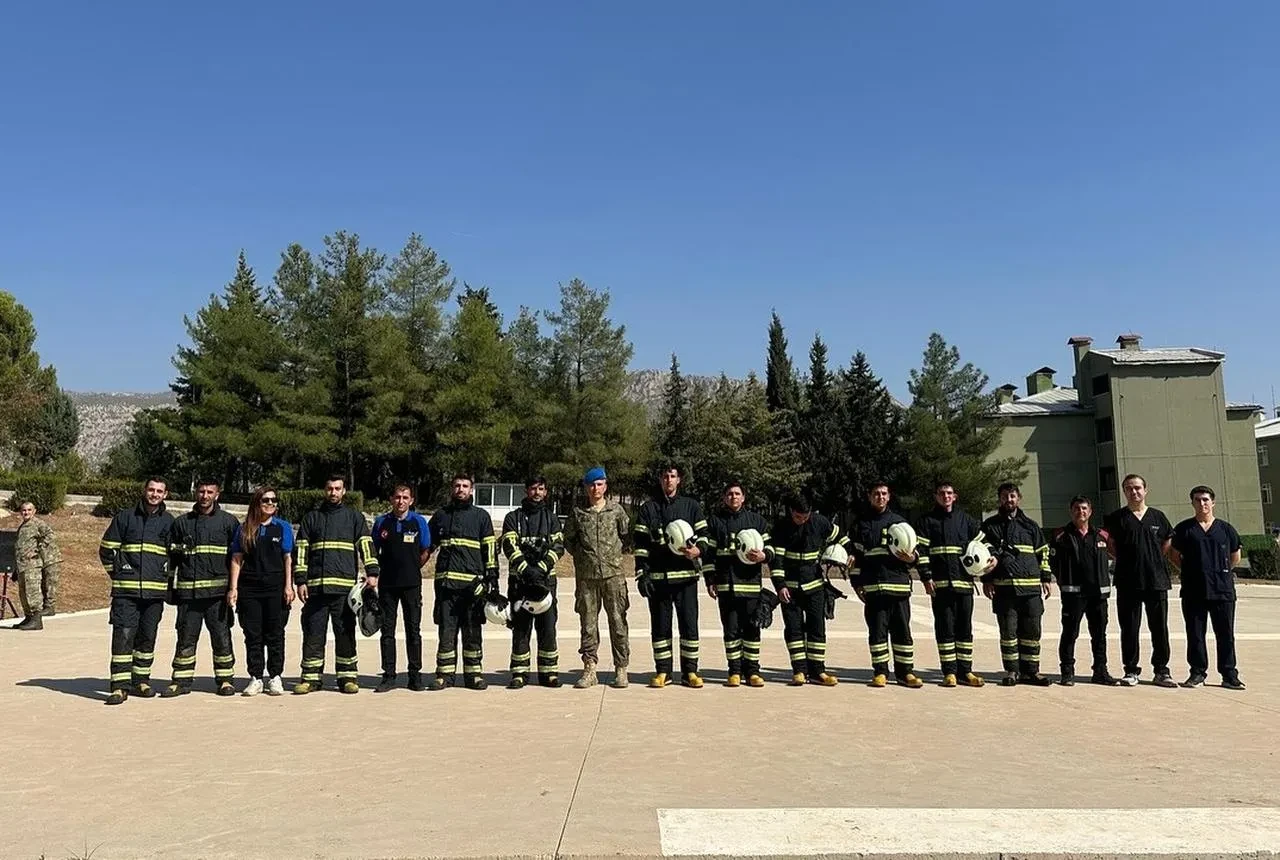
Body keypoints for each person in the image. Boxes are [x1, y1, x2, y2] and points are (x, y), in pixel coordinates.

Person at [293, 474, 380, 695]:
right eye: (330, 488)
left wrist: (372, 572)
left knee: (345, 634)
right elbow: (301, 551)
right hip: (316, 590)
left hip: (343, 590)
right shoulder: (312, 518)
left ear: (344, 491)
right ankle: (311, 678)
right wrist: (301, 581)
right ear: (325, 490)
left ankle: (347, 677)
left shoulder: (354, 517)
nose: (333, 492)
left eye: (337, 488)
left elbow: (366, 546)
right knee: (313, 633)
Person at [98, 477, 175, 705]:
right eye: (151, 489)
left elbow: (173, 558)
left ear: (165, 494)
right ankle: (119, 687)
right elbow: (106, 550)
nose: (154, 494)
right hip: (126, 594)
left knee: (146, 638)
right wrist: (119, 574)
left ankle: (140, 680)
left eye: (159, 491)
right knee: (123, 637)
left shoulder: (169, 522)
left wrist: (166, 581)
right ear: (144, 491)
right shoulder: (125, 517)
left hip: (154, 595)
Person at [633, 463, 711, 688]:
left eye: (673, 476)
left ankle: (690, 672)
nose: (669, 480)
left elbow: (705, 536)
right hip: (658, 580)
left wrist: (698, 550)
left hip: (686, 578)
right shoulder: (649, 508)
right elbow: (641, 545)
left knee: (689, 626)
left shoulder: (691, 506)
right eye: (665, 476)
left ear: (679, 480)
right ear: (660, 480)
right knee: (660, 627)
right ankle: (663, 672)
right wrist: (642, 574)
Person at [161, 478, 240, 697]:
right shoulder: (182, 523)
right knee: (185, 639)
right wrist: (170, 588)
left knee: (221, 638)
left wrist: (234, 589)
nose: (205, 496)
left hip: (217, 596)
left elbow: (237, 559)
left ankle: (225, 680)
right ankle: (181, 681)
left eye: (209, 492)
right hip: (189, 596)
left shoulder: (229, 523)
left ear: (217, 494)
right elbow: (172, 558)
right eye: (201, 491)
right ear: (196, 493)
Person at [766, 491, 847, 686]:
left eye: (805, 516)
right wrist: (780, 586)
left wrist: (848, 553)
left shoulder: (820, 522)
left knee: (816, 630)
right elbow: (777, 561)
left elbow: (841, 538)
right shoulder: (782, 528)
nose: (801, 520)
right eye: (797, 517)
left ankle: (818, 671)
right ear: (791, 511)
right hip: (790, 589)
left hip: (815, 587)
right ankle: (799, 671)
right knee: (794, 631)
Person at [1103, 474, 1176, 688]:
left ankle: (1161, 670)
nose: (1133, 492)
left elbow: (1166, 543)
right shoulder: (1117, 518)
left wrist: (1152, 560)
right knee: (1129, 628)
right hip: (1127, 581)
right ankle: (1131, 670)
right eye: (1128, 488)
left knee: (1159, 628)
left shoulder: (1158, 517)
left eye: (1137, 488)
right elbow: (1111, 546)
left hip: (1156, 581)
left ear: (1145, 490)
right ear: (1124, 492)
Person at [427, 473, 498, 690]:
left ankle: (474, 675)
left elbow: (490, 550)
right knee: (446, 632)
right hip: (446, 587)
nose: (460, 489)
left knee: (472, 632)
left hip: (473, 588)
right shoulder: (440, 516)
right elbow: (426, 547)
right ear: (452, 489)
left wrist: (492, 580)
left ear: (472, 490)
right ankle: (444, 676)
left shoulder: (481, 517)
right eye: (457, 485)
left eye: (465, 486)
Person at [1170, 486, 1245, 690]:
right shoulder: (1185, 529)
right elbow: (1174, 555)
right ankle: (1197, 673)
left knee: (1226, 634)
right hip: (1194, 591)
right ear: (1192, 503)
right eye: (1197, 500)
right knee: (1195, 634)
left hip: (1222, 591)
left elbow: (1234, 557)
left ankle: (1229, 675)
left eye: (1205, 500)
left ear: (1213, 502)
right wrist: (1190, 571)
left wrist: (1220, 572)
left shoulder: (1226, 529)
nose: (1201, 503)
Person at [849, 481, 923, 689]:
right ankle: (881, 672)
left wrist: (912, 559)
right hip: (873, 589)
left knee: (902, 632)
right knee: (877, 633)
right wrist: (856, 583)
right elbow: (856, 558)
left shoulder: (900, 522)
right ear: (869, 496)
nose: (880, 497)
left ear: (889, 497)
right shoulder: (860, 524)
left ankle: (905, 672)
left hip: (898, 587)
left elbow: (916, 552)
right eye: (876, 494)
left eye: (883, 494)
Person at [562, 466, 631, 689]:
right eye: (591, 485)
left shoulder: (617, 511)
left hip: (613, 575)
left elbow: (626, 535)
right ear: (586, 487)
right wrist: (583, 558)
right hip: (587, 578)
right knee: (588, 624)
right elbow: (569, 540)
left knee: (618, 622)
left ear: (605, 486)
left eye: (599, 484)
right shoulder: (578, 513)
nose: (595, 489)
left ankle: (621, 668)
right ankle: (590, 668)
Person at [914, 480, 988, 687]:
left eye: (949, 493)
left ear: (955, 496)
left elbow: (983, 542)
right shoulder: (927, 521)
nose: (945, 496)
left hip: (964, 586)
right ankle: (949, 672)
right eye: (941, 493)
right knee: (945, 628)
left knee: (965, 630)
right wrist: (926, 577)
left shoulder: (966, 520)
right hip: (940, 586)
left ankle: (966, 671)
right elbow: (923, 553)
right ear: (936, 497)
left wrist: (990, 558)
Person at [981, 482, 1053, 686]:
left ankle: (1031, 672)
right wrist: (987, 580)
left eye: (1012, 496)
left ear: (1018, 498)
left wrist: (1046, 578)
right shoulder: (990, 526)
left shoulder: (1031, 526)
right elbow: (983, 555)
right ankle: (1012, 671)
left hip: (1030, 591)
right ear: (999, 499)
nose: (1009, 500)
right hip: (1005, 590)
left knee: (1032, 633)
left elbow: (1043, 552)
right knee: (1009, 633)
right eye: (1004, 496)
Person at [227, 486, 295, 696]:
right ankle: (256, 677)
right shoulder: (244, 528)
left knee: (275, 634)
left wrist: (288, 585)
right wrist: (233, 588)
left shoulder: (282, 527)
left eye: (274, 501)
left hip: (276, 588)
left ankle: (275, 677)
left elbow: (288, 558)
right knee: (253, 634)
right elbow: (237, 559)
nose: (270, 504)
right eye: (266, 500)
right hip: (250, 589)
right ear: (257, 502)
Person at [500, 475, 565, 688]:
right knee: (520, 628)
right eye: (533, 488)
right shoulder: (513, 517)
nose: (536, 493)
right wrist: (526, 570)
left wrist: (541, 569)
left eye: (541, 489)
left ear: (545, 492)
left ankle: (549, 673)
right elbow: (509, 545)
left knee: (547, 628)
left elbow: (558, 546)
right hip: (520, 583)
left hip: (546, 583)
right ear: (526, 491)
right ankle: (519, 673)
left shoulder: (551, 518)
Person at [705, 480, 771, 687]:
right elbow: (709, 555)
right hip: (726, 586)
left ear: (744, 498)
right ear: (725, 498)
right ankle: (734, 671)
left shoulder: (757, 521)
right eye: (730, 494)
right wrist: (710, 579)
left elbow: (771, 549)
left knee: (752, 629)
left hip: (751, 586)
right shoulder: (715, 522)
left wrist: (763, 556)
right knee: (731, 630)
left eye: (737, 494)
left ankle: (752, 671)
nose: (734, 497)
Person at [1049, 496, 1118, 686]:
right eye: (1077, 508)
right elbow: (1052, 562)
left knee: (1099, 635)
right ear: (1071, 511)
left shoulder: (1102, 535)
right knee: (1070, 633)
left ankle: (1100, 671)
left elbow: (1116, 555)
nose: (1081, 512)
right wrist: (1064, 580)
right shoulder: (1060, 535)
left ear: (1091, 511)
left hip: (1098, 595)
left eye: (1084, 508)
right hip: (1073, 595)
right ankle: (1067, 672)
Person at [371, 484, 432, 693]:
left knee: (413, 631)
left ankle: (415, 676)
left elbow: (425, 551)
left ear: (411, 500)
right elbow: (374, 551)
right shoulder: (381, 522)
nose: (401, 501)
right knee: (387, 631)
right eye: (397, 497)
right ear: (391, 499)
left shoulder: (419, 522)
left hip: (412, 585)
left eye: (405, 497)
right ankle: (388, 676)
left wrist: (413, 567)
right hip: (387, 584)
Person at [13, 501, 61, 630]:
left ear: (34, 511)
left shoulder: (37, 523)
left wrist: (38, 549)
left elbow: (50, 535)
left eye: (29, 510)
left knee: (32, 592)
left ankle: (36, 620)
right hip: (22, 565)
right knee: (23, 593)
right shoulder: (23, 526)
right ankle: (28, 617)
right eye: (24, 510)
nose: (26, 512)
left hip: (32, 565)